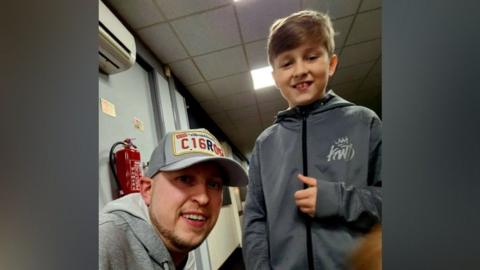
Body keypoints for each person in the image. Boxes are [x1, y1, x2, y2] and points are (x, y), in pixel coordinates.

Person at [243, 10, 382, 269]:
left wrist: (337, 199)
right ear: (274, 76)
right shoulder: (265, 144)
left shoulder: (364, 123)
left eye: (311, 57)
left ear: (331, 63)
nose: (300, 70)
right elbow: (255, 219)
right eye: (287, 63)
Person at [99, 128, 248, 270]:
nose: (203, 198)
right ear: (147, 190)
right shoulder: (102, 241)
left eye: (214, 184)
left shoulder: (180, 248)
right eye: (184, 179)